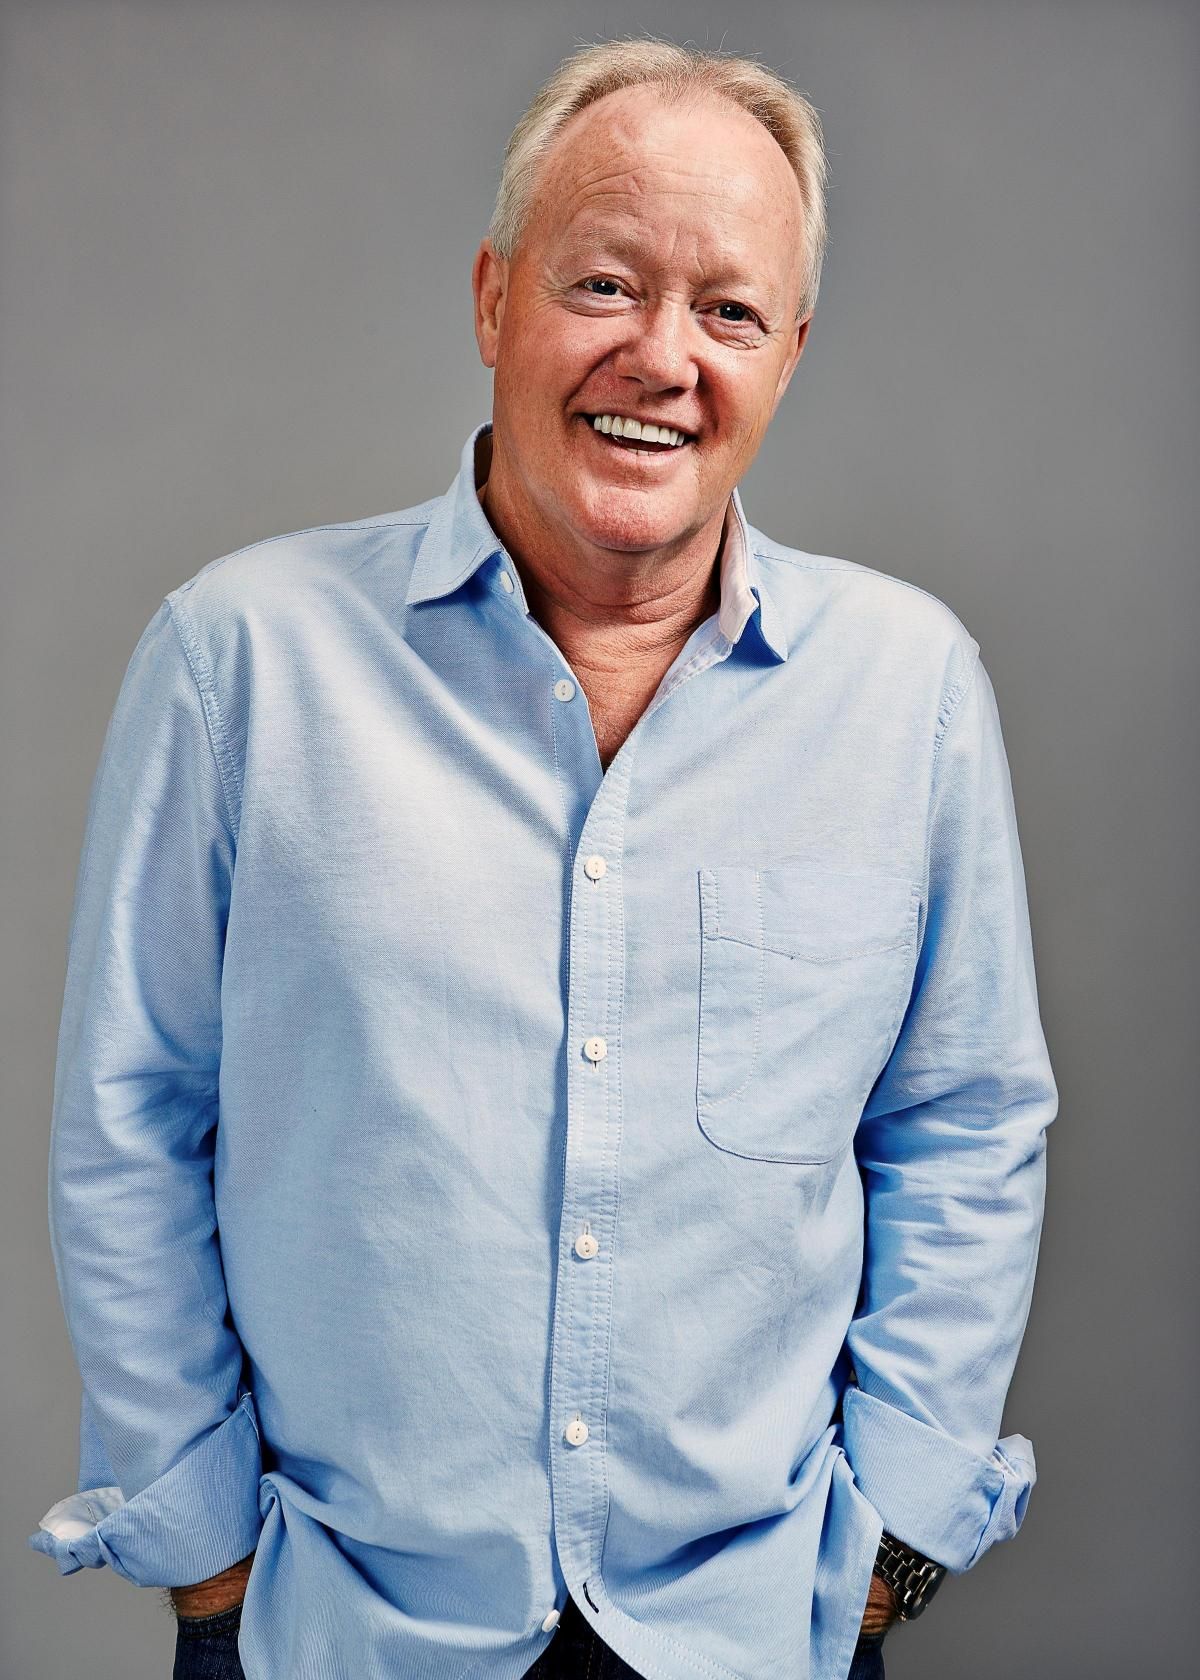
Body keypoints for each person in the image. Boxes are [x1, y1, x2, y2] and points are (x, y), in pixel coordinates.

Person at [27, 35, 1057, 1680]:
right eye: (605, 284)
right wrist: (205, 1559)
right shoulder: (242, 661)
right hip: (338, 1630)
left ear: (790, 353)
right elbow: (131, 1120)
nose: (664, 356)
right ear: (495, 300)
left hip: (760, 1632)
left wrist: (891, 1553)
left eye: (730, 311)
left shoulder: (908, 689)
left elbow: (965, 1124)